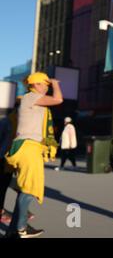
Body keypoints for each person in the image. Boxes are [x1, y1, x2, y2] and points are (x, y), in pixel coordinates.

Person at [3, 72, 63, 238]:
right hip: (28, 147)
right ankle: (22, 228)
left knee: (26, 188)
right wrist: (56, 83)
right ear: (36, 84)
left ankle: (13, 231)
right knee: (29, 190)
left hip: (29, 147)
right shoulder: (31, 97)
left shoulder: (33, 100)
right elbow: (58, 99)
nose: (47, 87)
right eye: (45, 84)